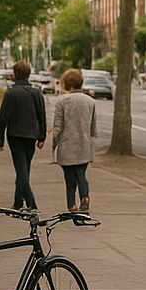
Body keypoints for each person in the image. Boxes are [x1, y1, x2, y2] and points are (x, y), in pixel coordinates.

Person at [0, 60, 47, 210]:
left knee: (21, 169)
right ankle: (18, 202)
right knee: (24, 168)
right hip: (31, 135)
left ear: (15, 74)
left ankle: (30, 203)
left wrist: (0, 139)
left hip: (15, 135)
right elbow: (41, 116)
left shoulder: (11, 93)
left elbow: (3, 117)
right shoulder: (36, 93)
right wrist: (41, 137)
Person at [52, 67, 97, 211]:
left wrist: (54, 145)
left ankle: (71, 204)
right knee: (81, 174)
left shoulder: (62, 101)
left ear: (66, 84)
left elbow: (58, 126)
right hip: (84, 144)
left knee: (69, 178)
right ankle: (85, 197)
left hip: (67, 146)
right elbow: (93, 126)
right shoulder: (90, 101)